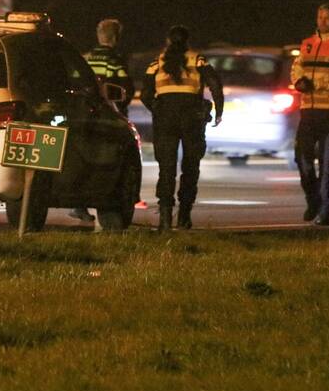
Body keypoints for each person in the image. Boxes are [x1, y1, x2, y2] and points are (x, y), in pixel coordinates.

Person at [140, 26, 223, 231]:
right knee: (190, 167)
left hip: (165, 118)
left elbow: (144, 94)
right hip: (192, 117)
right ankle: (184, 216)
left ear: (168, 41)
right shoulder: (198, 59)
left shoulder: (156, 63)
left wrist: (157, 109)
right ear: (187, 41)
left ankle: (165, 218)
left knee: (166, 168)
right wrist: (218, 111)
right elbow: (215, 84)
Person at [69, 18, 134, 224]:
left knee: (82, 158)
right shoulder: (114, 60)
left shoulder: (85, 58)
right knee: (107, 161)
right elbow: (126, 87)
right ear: (116, 38)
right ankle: (106, 206)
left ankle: (78, 205)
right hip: (107, 116)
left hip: (83, 113)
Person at [291, 3, 329, 226]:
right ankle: (313, 198)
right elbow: (296, 68)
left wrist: (314, 84)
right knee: (302, 160)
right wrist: (298, 82)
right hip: (307, 111)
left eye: (327, 18)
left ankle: (326, 208)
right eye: (320, 17)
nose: (323, 21)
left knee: (326, 164)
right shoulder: (307, 44)